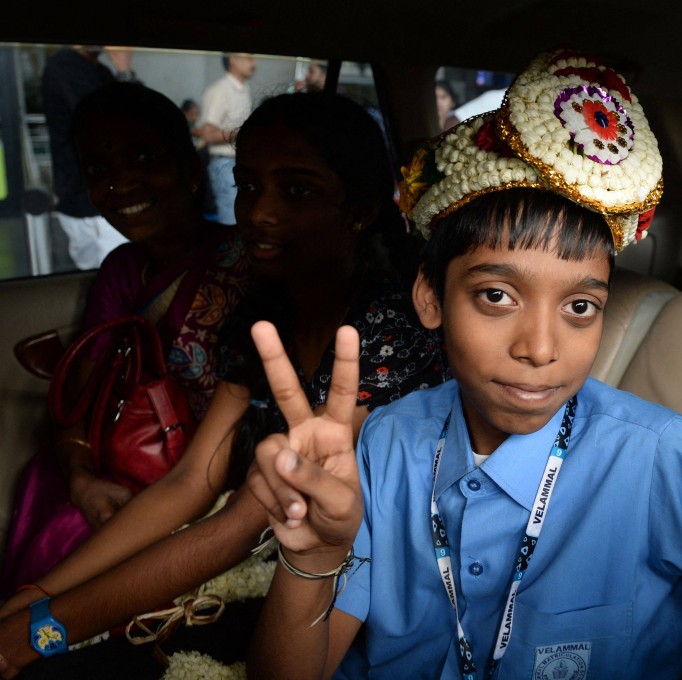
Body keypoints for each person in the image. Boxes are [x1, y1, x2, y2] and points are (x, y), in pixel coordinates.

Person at [247, 50, 682, 679]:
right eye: (496, 296)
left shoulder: (663, 461)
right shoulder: (390, 441)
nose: (540, 348)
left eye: (580, 307)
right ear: (431, 299)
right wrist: (317, 557)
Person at [0, 91, 446, 678]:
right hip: (277, 551)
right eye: (248, 185)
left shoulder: (389, 328)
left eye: (297, 190)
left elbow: (245, 520)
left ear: (359, 210)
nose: (258, 212)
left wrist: (42, 630)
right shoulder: (265, 312)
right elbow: (192, 479)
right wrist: (35, 595)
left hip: (361, 584)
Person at [0, 81, 250, 599]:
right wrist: (81, 479)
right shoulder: (122, 271)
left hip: (222, 482)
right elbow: (78, 404)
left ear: (189, 168)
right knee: (66, 526)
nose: (121, 183)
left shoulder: (247, 264)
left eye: (143, 159)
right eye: (99, 169)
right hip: (130, 468)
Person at [41, 46, 136, 270]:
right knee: (119, 278)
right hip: (89, 202)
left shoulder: (100, 70)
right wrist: (124, 71)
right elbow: (109, 124)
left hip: (101, 197)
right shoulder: (64, 66)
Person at [198, 52, 256, 225]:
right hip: (224, 164)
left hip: (239, 162)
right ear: (232, 60)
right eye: (248, 58)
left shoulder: (243, 89)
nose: (254, 63)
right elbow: (208, 134)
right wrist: (244, 133)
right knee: (232, 219)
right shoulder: (220, 90)